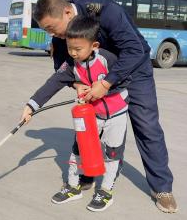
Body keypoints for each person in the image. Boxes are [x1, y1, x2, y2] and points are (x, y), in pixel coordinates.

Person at [27, 0, 177, 213]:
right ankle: (87, 174)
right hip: (94, 78)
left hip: (133, 71)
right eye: (47, 31)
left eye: (51, 28)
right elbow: (61, 67)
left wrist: (107, 83)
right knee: (91, 128)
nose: (52, 35)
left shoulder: (105, 11)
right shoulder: (60, 36)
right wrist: (77, 84)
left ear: (67, 12)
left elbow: (133, 50)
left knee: (146, 125)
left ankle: (162, 187)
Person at [21, 15, 129, 211]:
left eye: (78, 49)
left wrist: (104, 88)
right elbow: (53, 84)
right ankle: (73, 187)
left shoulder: (108, 59)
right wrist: (31, 106)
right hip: (90, 116)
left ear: (94, 45)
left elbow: (124, 78)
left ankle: (105, 191)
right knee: (78, 150)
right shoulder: (72, 65)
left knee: (112, 153)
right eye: (70, 48)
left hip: (117, 114)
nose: (73, 53)